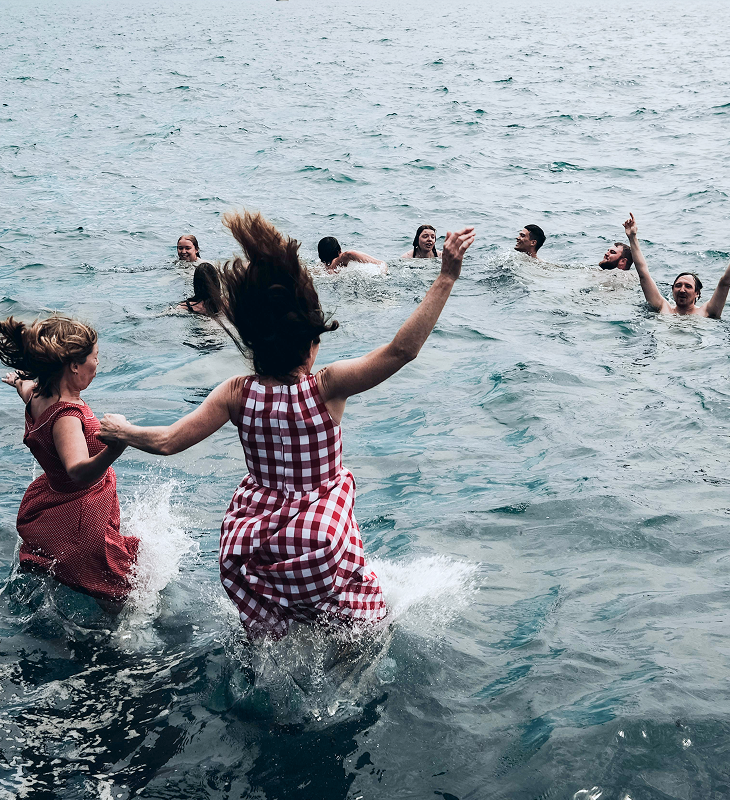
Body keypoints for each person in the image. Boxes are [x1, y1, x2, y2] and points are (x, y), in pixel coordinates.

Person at [97, 211, 477, 640]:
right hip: (320, 538)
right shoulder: (326, 387)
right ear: (310, 345)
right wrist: (446, 276)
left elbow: (167, 441)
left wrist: (122, 430)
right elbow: (401, 351)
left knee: (273, 632)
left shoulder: (234, 392)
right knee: (364, 630)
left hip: (255, 541)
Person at [0, 315, 138, 607]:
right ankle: (123, 638)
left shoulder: (36, 395)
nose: (97, 365)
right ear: (74, 365)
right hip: (80, 511)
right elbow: (76, 471)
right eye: (94, 358)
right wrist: (115, 448)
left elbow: (25, 389)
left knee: (75, 574)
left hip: (54, 501)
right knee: (116, 588)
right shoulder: (67, 416)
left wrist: (17, 381)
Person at [624, 213, 730, 319]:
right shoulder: (663, 308)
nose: (682, 290)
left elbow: (725, 283)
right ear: (673, 290)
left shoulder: (706, 312)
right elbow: (643, 274)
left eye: (688, 286)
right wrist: (632, 237)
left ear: (697, 293)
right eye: (678, 285)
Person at [317, 236, 385, 274]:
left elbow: (382, 263)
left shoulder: (320, 267)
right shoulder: (344, 257)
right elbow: (381, 263)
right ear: (339, 250)